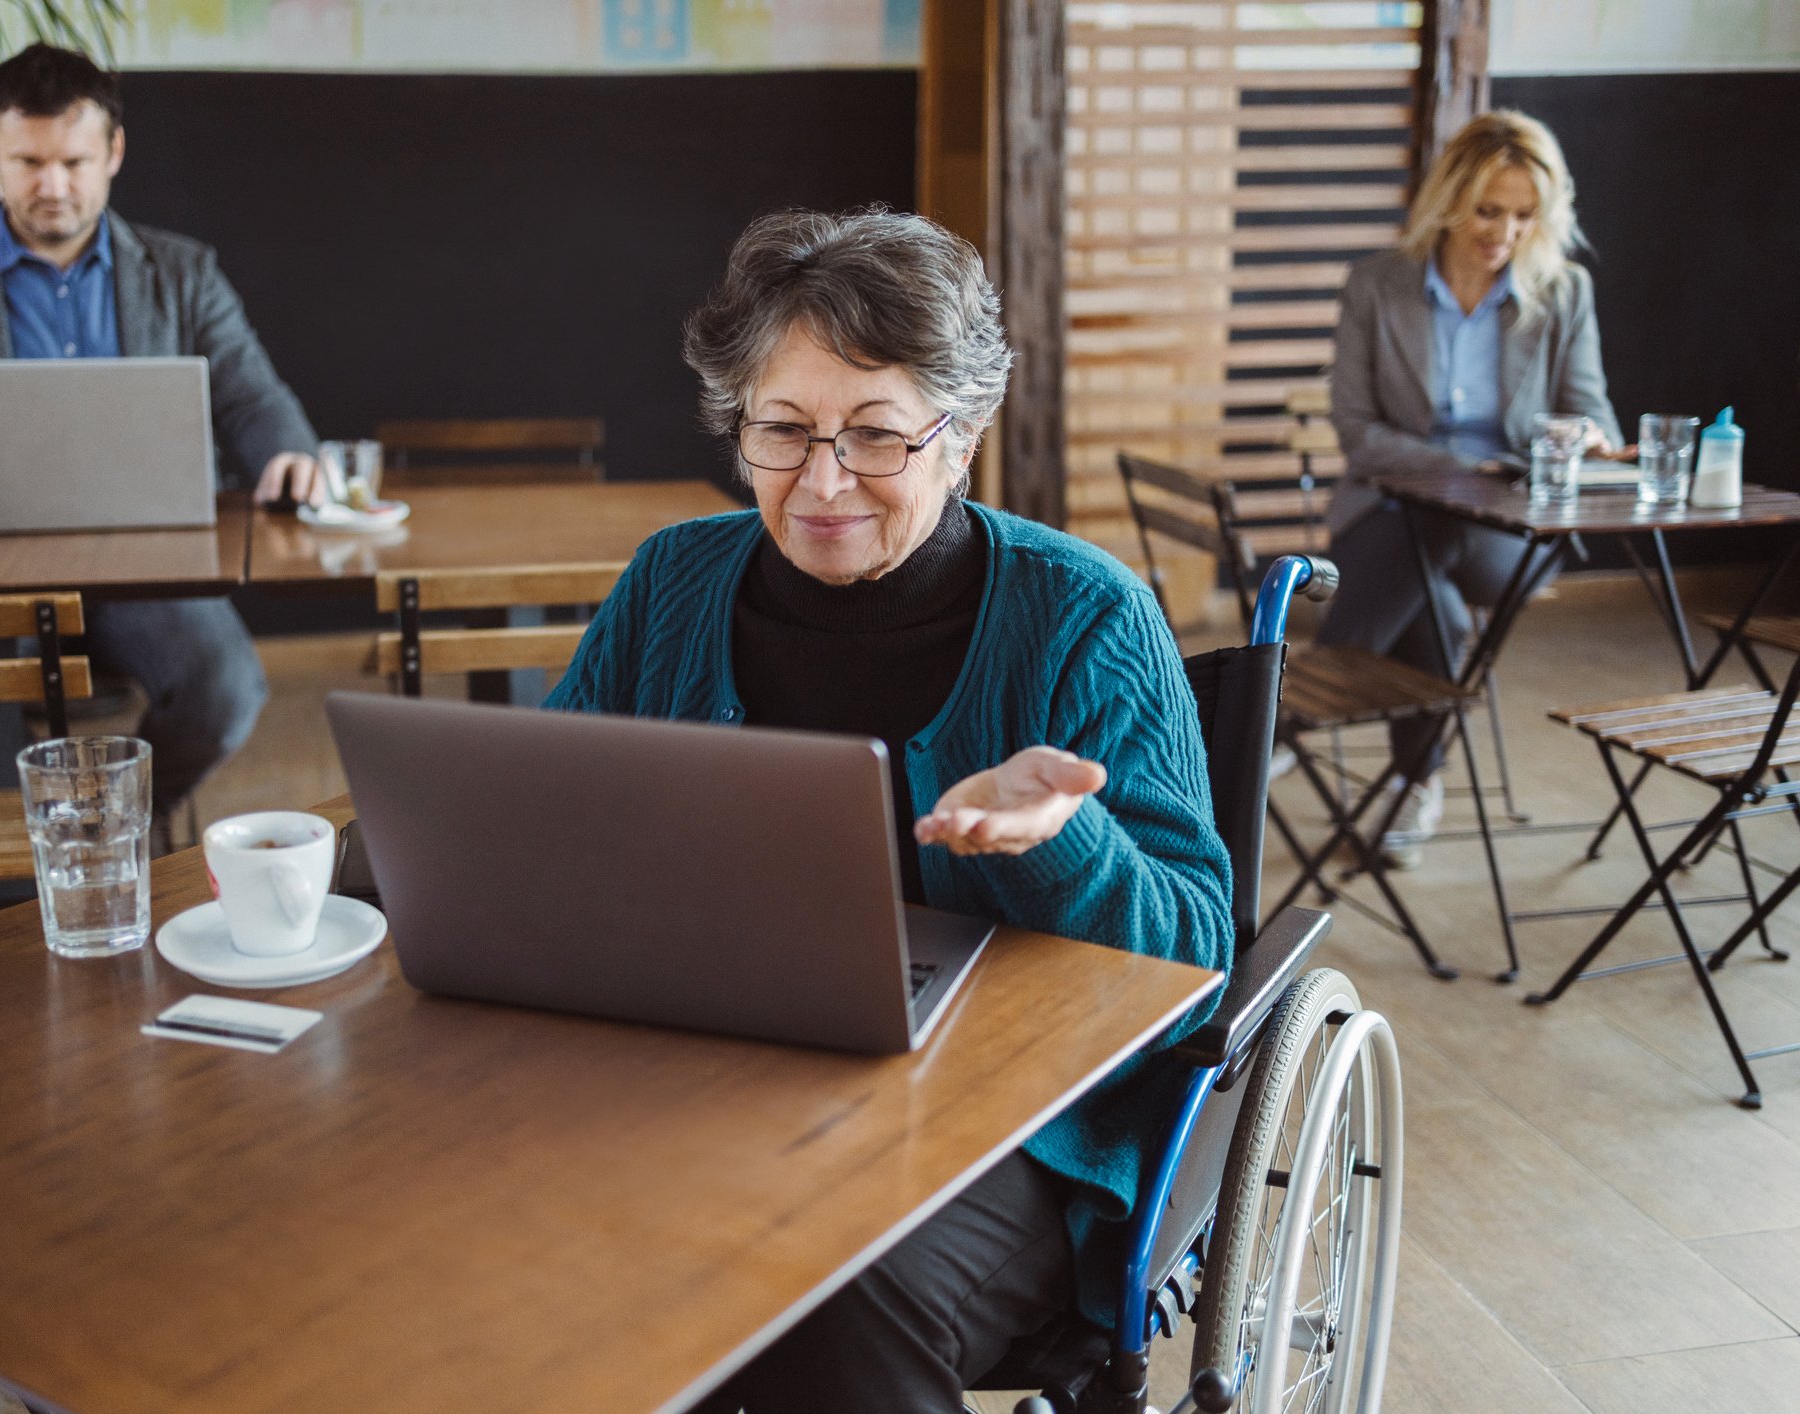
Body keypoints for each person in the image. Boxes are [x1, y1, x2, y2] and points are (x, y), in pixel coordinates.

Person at [546, 208, 1233, 1413]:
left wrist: (1060, 841)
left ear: (959, 438)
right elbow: (542, 807)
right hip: (717, 1075)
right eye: (782, 430)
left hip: (1010, 1124)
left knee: (827, 1281)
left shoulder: (1084, 617)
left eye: (873, 436)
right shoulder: (673, 578)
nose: (820, 482)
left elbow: (1195, 955)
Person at [0, 43, 324, 826]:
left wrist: (289, 453)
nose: (52, 185)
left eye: (73, 160)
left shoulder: (183, 272)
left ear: (113, 152)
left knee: (226, 688)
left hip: (148, 562)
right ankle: (31, 863)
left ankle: (109, 829)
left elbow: (248, 395)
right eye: (27, 160)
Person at [1319, 109, 1623, 867]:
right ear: (1449, 199)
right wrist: (1453, 471)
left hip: (1509, 531)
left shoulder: (1562, 292)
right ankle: (1416, 784)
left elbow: (1591, 413)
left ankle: (1291, 696)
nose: (1505, 233)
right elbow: (1358, 432)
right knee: (1437, 598)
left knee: (1443, 526)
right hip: (1385, 514)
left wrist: (1583, 438)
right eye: (1488, 210)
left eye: (1525, 216)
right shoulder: (1376, 285)